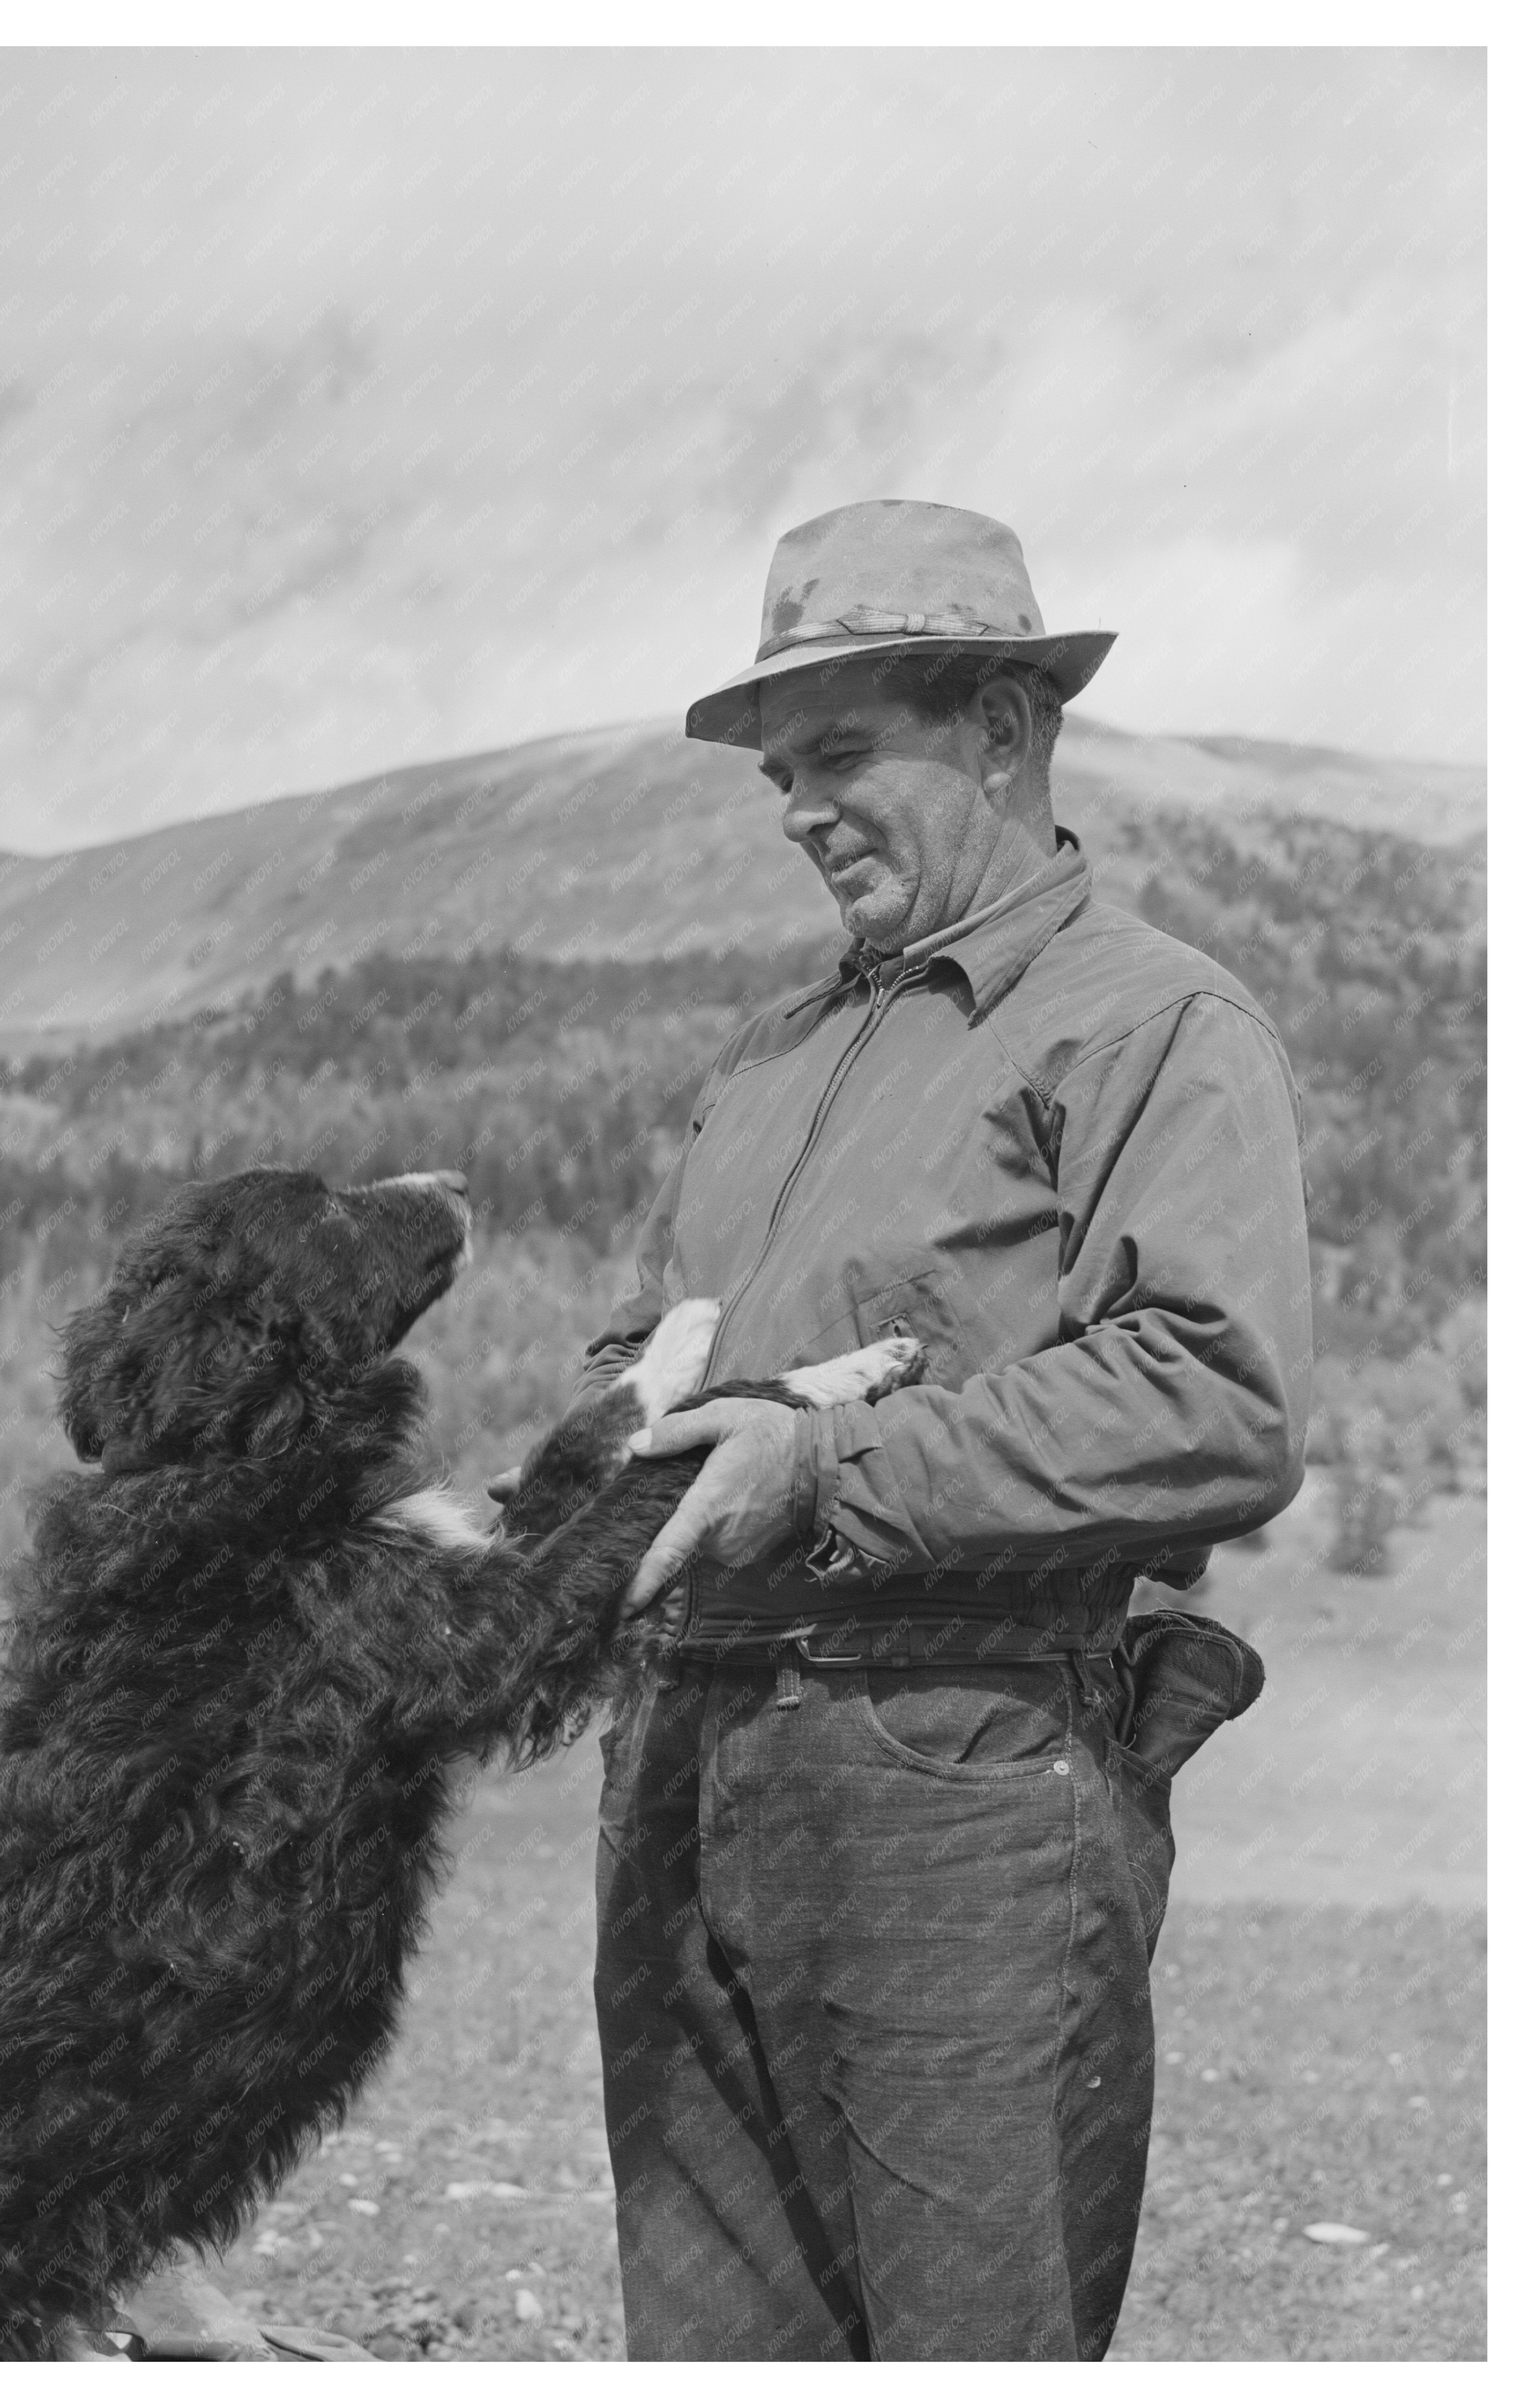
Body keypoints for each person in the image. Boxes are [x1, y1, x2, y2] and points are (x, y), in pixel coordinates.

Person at [500, 499, 1311, 2360]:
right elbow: (667, 1352)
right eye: (781, 771)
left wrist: (827, 1465)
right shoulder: (775, 1061)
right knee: (712, 2354)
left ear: (1009, 729)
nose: (796, 806)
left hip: (957, 1767)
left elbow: (1220, 1390)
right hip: (686, 1762)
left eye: (842, 752)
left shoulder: (1152, 1024)